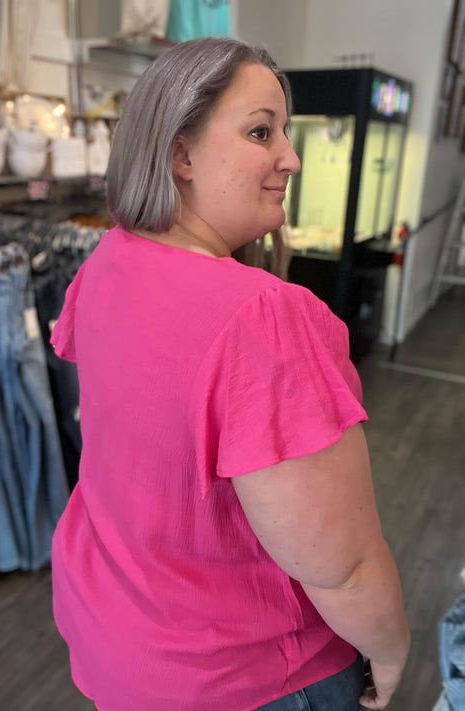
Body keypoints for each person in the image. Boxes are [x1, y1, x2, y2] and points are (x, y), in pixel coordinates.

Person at [50, 37, 410, 710]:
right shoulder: (261, 317)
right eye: (260, 132)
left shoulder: (107, 263)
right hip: (244, 676)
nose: (290, 157)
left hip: (116, 640)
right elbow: (342, 566)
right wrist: (390, 652)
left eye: (283, 132)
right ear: (180, 155)